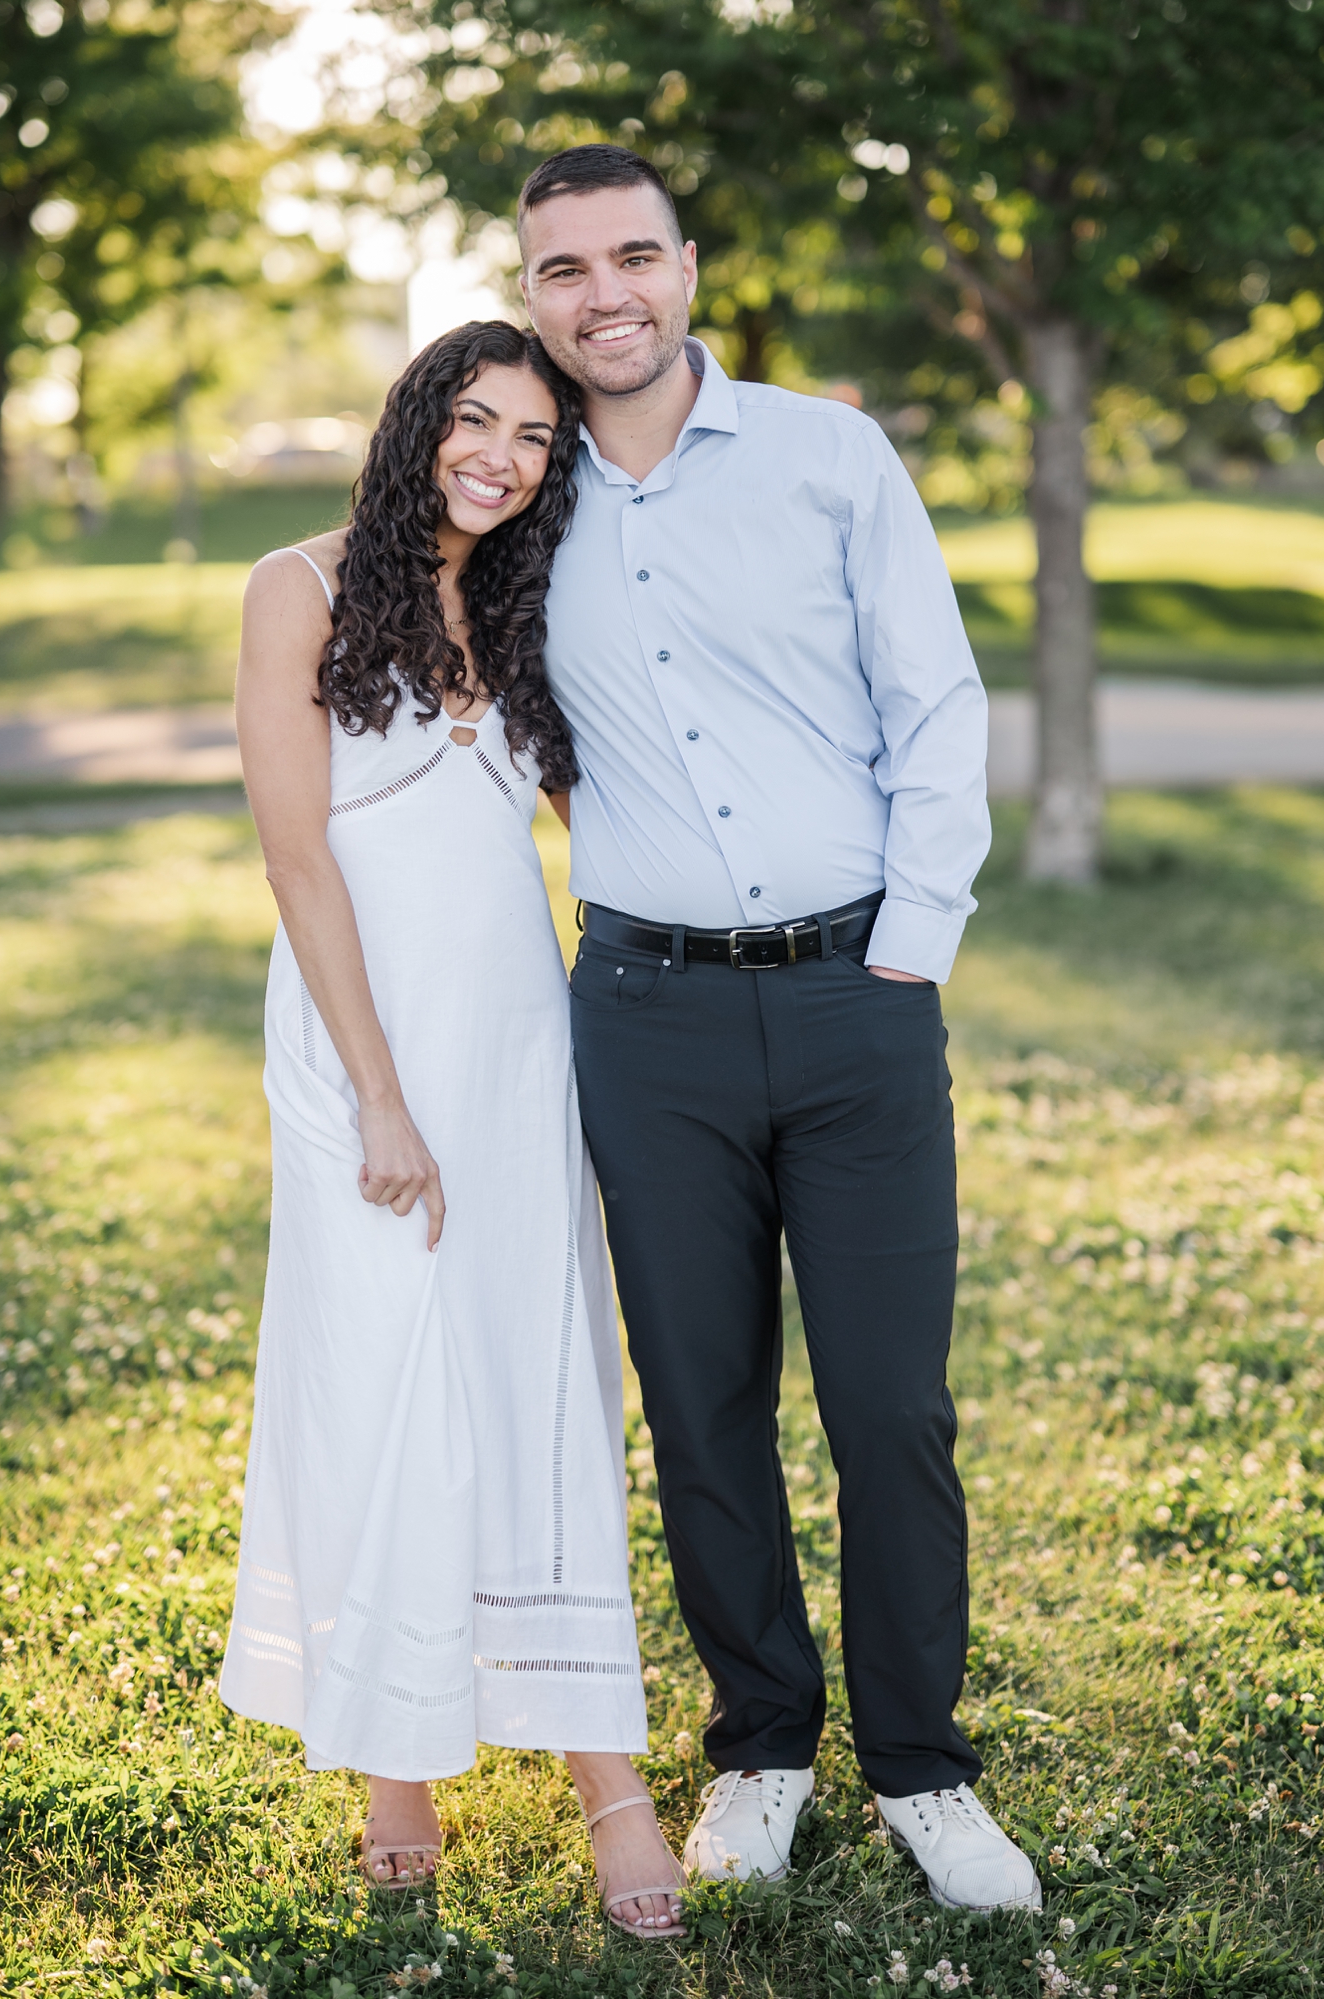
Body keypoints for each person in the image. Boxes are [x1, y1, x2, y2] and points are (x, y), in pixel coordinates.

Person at [516, 146, 1041, 1914]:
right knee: (703, 1407)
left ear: (686, 267)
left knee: (891, 1407)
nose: (607, 296)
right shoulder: (519, 500)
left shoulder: (829, 454)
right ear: (532, 297)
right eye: (566, 269)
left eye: (635, 257)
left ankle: (922, 1767)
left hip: (854, 1002)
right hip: (644, 1017)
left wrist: (914, 948)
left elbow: (936, 695)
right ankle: (761, 1749)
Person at [219, 320, 687, 1939]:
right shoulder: (301, 583)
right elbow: (300, 863)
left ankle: (605, 1779)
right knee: (385, 1378)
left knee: (534, 1361)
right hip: (369, 1050)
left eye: (535, 437)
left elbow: (599, 817)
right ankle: (392, 1761)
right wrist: (380, 1095)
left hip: (514, 1044)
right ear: (420, 417)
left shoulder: (514, 600)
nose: (501, 453)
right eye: (474, 419)